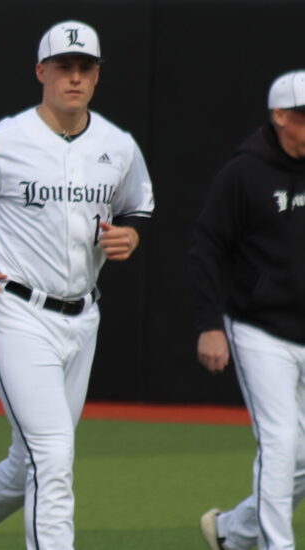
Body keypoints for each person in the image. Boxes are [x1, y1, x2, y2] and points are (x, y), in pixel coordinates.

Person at [0, 21, 154, 550]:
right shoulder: (1, 143)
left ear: (97, 75)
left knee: (32, 455)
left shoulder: (117, 146)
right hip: (17, 310)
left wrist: (131, 237)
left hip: (84, 316)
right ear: (41, 72)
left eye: (85, 68)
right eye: (63, 68)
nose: (74, 78)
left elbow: (139, 207)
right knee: (51, 453)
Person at [194, 70, 305, 550]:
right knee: (280, 444)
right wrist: (208, 325)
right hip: (260, 328)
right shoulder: (245, 172)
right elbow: (205, 246)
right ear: (280, 116)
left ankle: (232, 531)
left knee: (299, 456)